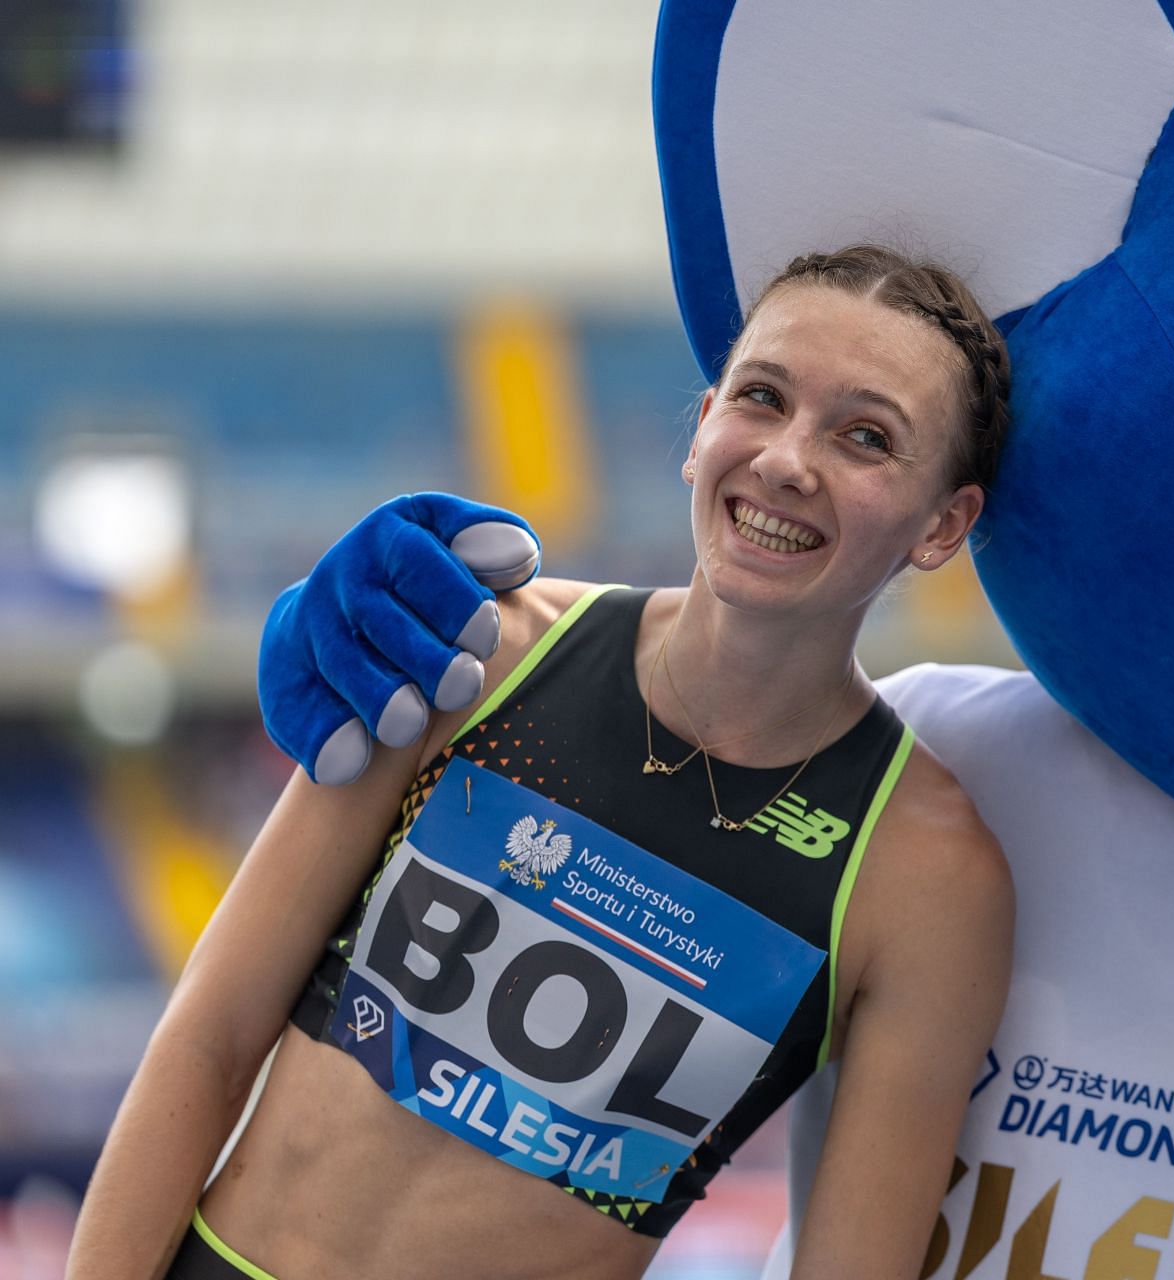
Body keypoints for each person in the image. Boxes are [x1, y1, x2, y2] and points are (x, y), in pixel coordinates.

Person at [67, 245, 1017, 1280]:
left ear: (944, 523)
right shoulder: (479, 648)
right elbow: (212, 1031)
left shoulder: (929, 876)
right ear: (702, 430)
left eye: (866, 436)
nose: (791, 459)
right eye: (762, 395)